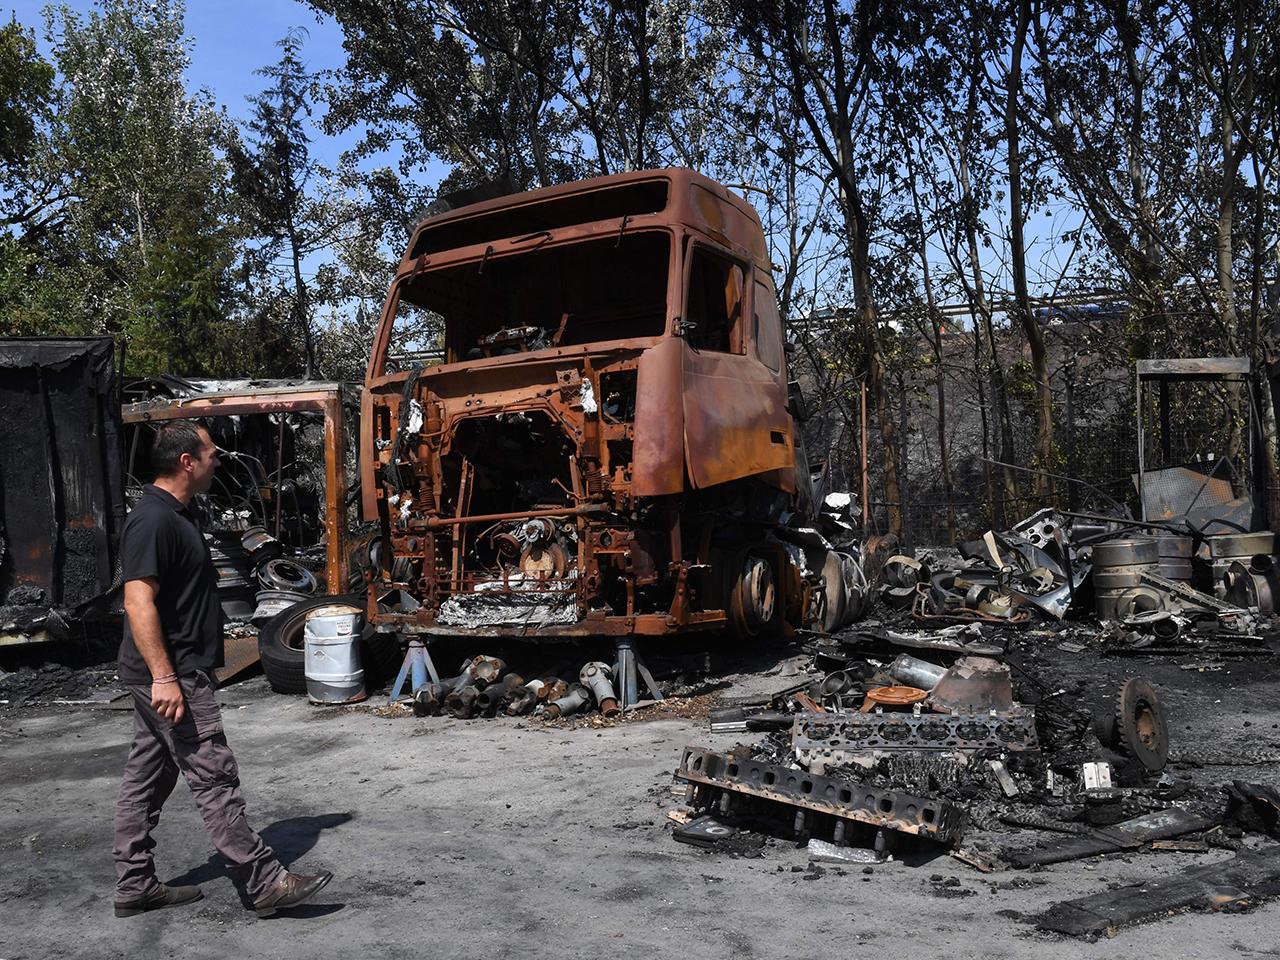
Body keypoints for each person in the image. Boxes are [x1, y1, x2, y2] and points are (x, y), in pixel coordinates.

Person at [112, 420, 332, 918]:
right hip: (172, 677)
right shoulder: (152, 520)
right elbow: (137, 601)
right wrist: (167, 677)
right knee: (213, 776)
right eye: (211, 452)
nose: (218, 459)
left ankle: (134, 884)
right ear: (186, 461)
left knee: (145, 778)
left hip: (173, 673)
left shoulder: (178, 514)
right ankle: (264, 882)